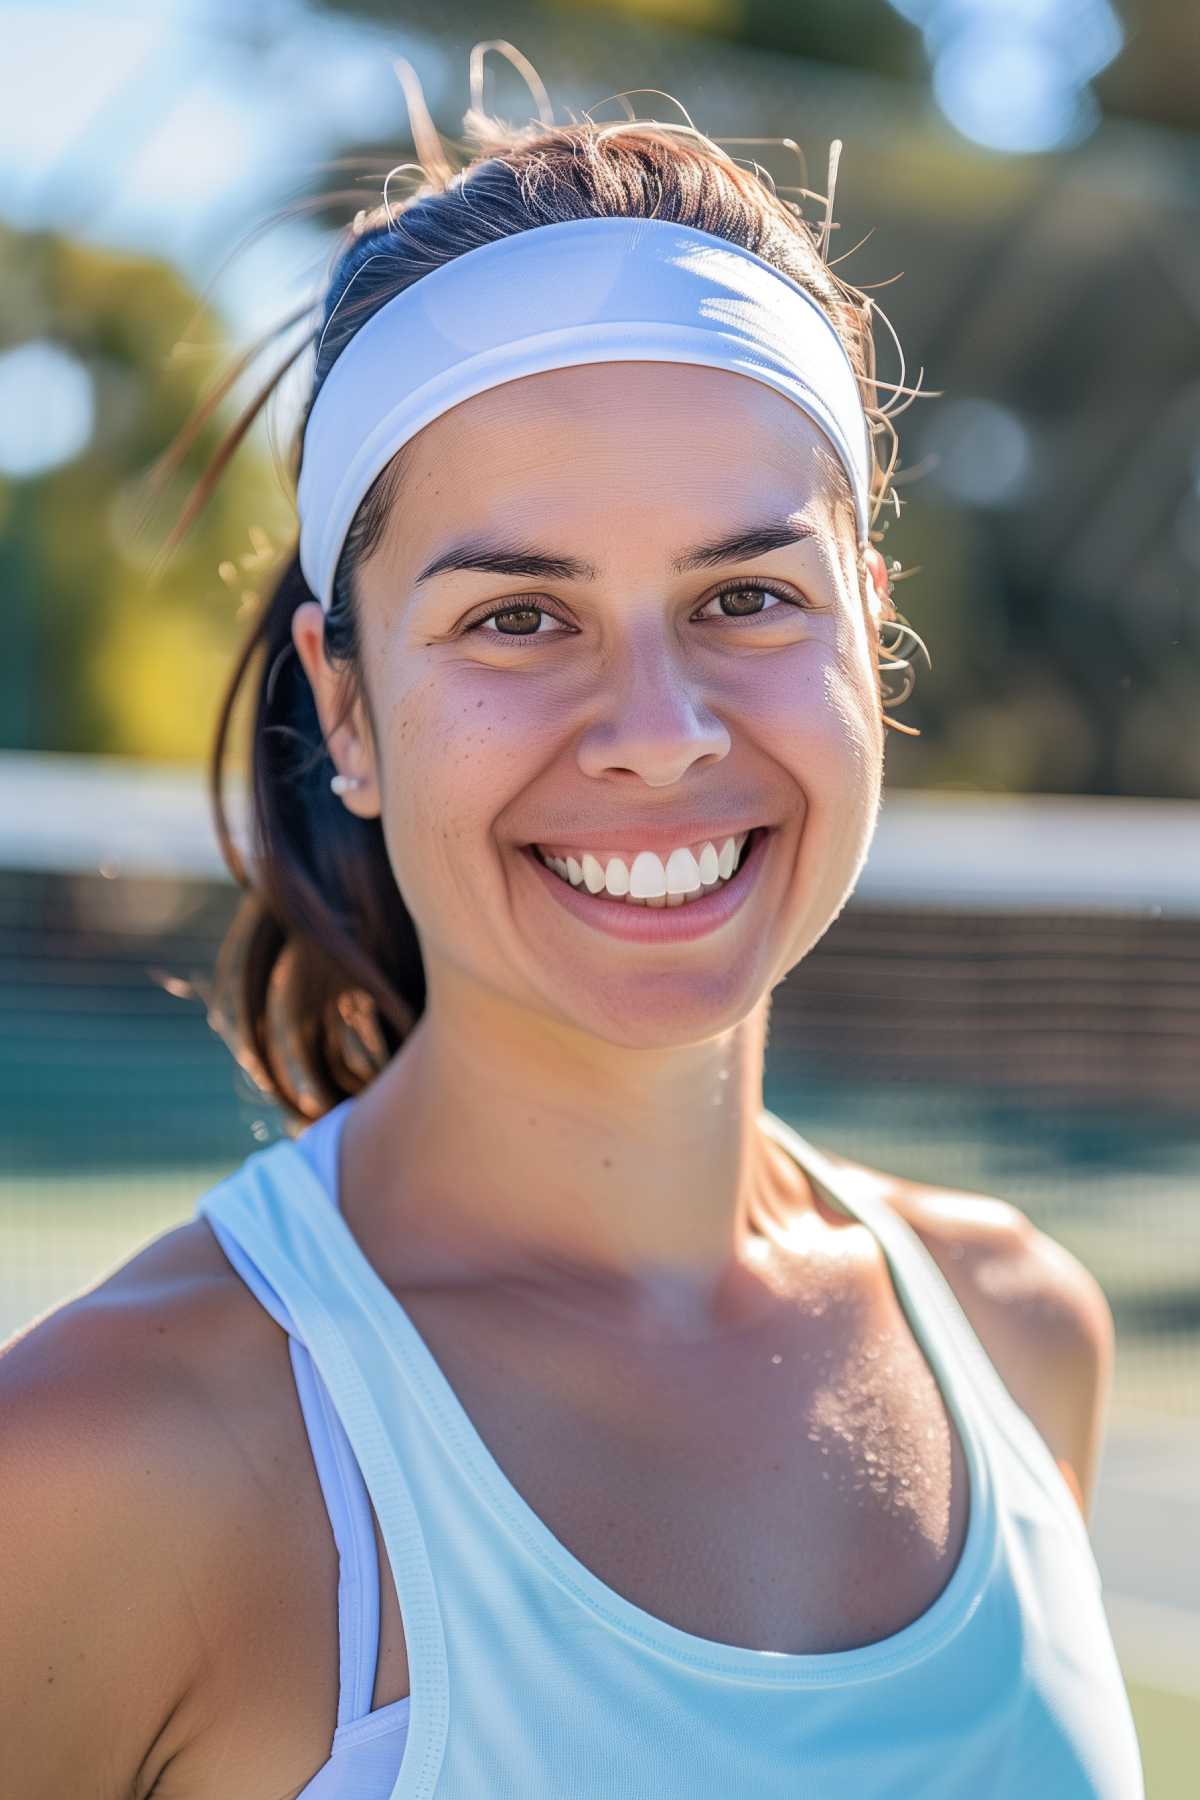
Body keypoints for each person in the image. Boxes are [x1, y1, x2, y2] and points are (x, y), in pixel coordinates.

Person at [1, 49, 1144, 1800]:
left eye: (747, 594)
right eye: (519, 618)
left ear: (871, 637)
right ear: (355, 708)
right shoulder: (111, 1461)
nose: (663, 726)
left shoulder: (1019, 1334)